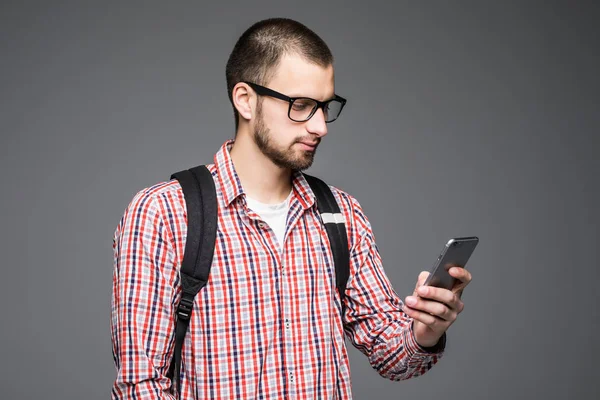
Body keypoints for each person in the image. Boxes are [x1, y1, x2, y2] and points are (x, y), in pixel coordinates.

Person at [110, 17, 472, 400]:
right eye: (301, 106)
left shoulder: (340, 214)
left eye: (325, 107)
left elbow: (392, 355)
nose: (320, 126)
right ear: (246, 100)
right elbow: (140, 387)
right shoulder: (164, 213)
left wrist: (426, 329)